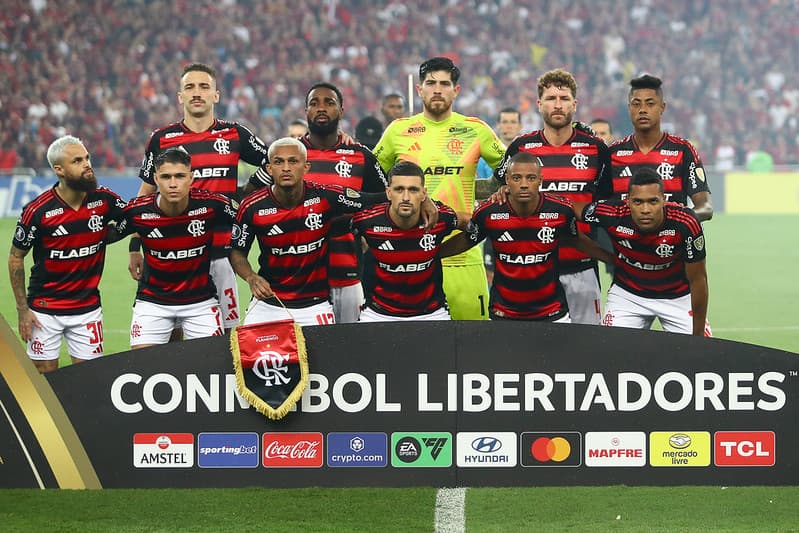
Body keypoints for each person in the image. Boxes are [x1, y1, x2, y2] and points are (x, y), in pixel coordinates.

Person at [231, 137, 429, 327]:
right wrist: (251, 277)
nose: (286, 168)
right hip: (268, 303)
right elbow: (237, 251)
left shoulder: (324, 197)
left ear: (306, 167)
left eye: (293, 161)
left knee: (321, 360)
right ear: (269, 168)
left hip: (315, 305)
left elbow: (371, 199)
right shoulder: (252, 206)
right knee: (251, 357)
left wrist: (424, 200)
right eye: (278, 162)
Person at [130, 63, 268, 333]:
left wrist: (248, 189)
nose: (197, 93)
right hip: (170, 253)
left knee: (225, 337)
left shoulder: (234, 134)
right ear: (180, 96)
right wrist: (135, 246)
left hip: (220, 252)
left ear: (216, 95)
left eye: (204, 87)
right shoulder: (161, 139)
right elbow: (145, 194)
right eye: (189, 87)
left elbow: (274, 161)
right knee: (171, 336)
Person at [373, 56, 506, 320]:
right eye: (430, 83)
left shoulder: (474, 130)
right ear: (418, 89)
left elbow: (512, 171)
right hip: (409, 258)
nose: (437, 89)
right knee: (417, 351)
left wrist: (497, 190)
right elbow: (371, 176)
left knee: (472, 349)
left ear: (456, 91)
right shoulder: (398, 131)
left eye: (445, 84)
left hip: (463, 255)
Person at [246, 83, 388, 323]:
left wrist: (365, 232)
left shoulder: (360, 155)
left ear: (341, 111)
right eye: (314, 103)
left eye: (329, 103)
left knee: (349, 349)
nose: (321, 108)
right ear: (306, 111)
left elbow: (384, 200)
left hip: (346, 271)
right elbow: (250, 195)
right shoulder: (290, 156)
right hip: (295, 280)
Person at [494, 68, 611, 325]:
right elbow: (499, 188)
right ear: (539, 104)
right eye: (550, 99)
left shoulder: (596, 149)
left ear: (574, 104)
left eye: (564, 98)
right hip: (531, 271)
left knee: (586, 351)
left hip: (581, 267)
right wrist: (502, 189)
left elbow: (607, 203)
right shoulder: (520, 147)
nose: (557, 105)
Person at [441, 153, 612, 321]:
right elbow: (467, 240)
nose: (524, 184)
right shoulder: (488, 212)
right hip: (503, 312)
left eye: (531, 178)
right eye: (517, 178)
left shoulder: (561, 210)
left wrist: (614, 259)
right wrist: (433, 255)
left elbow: (576, 240)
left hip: (552, 312)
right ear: (507, 180)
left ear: (540, 180)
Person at [8, 135, 126, 372]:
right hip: (44, 310)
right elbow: (15, 257)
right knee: (44, 380)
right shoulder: (38, 211)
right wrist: (23, 310)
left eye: (87, 158)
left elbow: (132, 220)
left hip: (87, 310)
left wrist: (101, 237)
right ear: (59, 170)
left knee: (89, 380)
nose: (87, 164)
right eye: (77, 161)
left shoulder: (104, 200)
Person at [115, 148, 236, 349]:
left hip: (201, 302)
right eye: (166, 177)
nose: (173, 183)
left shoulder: (212, 205)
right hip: (153, 302)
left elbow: (251, 219)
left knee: (212, 365)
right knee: (142, 366)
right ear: (155, 178)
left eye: (179, 176)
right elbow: (104, 235)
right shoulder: (137, 211)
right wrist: (134, 247)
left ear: (191, 177)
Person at [581, 168, 709, 336]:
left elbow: (698, 280)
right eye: (638, 202)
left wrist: (698, 336)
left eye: (653, 201)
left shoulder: (686, 222)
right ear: (627, 201)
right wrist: (609, 258)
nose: (645, 209)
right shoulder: (611, 213)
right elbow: (570, 211)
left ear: (664, 200)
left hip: (677, 297)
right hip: (627, 296)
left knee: (700, 356)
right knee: (611, 353)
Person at [352, 161, 468, 322]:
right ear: (388, 192)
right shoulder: (366, 220)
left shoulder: (440, 218)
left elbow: (474, 223)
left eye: (413, 190)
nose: (406, 197)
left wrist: (441, 251)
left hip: (432, 313)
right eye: (399, 189)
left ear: (424, 194)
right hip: (378, 313)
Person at [597, 74, 713, 223]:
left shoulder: (683, 150)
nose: (642, 110)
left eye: (650, 104)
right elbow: (598, 206)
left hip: (670, 244)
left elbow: (705, 207)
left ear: (662, 107)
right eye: (636, 104)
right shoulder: (612, 154)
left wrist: (678, 221)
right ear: (629, 108)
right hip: (624, 245)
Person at [476, 107, 522, 179]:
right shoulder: (486, 154)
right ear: (498, 125)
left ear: (520, 126)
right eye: (505, 122)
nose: (509, 126)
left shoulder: (527, 153)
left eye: (513, 122)